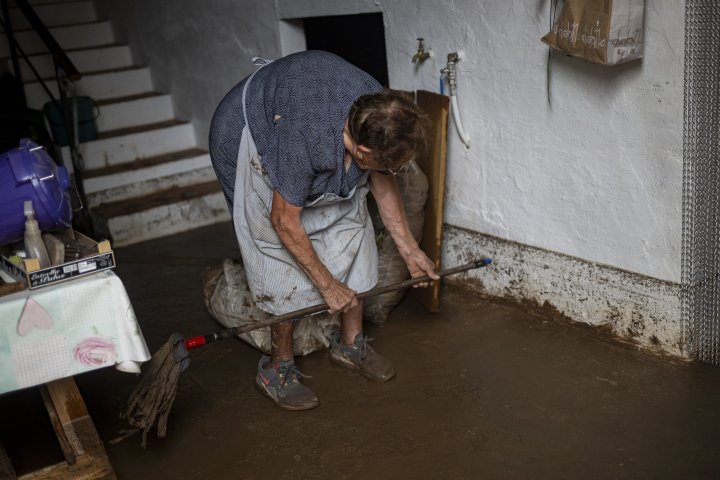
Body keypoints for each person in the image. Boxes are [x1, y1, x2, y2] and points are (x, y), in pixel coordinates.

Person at [209, 50, 438, 411]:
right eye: (386, 165)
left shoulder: (377, 110)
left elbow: (381, 181)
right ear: (361, 151)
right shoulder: (304, 139)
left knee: (353, 230)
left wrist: (411, 251)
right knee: (277, 257)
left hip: (303, 111)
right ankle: (278, 367)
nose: (391, 171)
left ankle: (350, 343)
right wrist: (328, 286)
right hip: (249, 131)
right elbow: (283, 221)